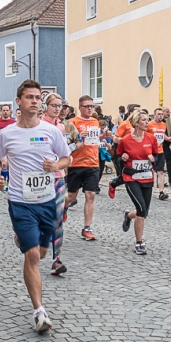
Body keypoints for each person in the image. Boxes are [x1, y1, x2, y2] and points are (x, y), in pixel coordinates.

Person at [0, 80, 72, 333]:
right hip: (20, 201)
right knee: (33, 255)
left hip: (47, 201)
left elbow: (67, 157)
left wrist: (56, 167)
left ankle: (23, 240)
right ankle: (39, 311)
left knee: (43, 253)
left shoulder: (51, 131)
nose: (34, 101)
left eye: (37, 98)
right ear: (19, 102)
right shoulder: (7, 134)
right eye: (29, 97)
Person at [41, 93, 75, 275]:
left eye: (59, 105)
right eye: (53, 105)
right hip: (40, 176)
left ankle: (57, 260)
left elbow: (67, 151)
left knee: (58, 215)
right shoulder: (39, 125)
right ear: (46, 106)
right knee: (42, 215)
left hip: (59, 175)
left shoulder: (62, 126)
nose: (57, 108)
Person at [117, 110, 157, 255]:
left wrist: (154, 160)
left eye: (148, 119)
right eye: (144, 120)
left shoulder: (151, 139)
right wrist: (123, 158)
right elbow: (117, 158)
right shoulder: (125, 140)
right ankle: (139, 242)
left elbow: (157, 157)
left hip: (147, 177)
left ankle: (128, 215)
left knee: (144, 212)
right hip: (131, 178)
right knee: (141, 208)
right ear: (136, 123)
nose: (147, 122)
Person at [66, 94, 104, 242]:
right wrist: (79, 136)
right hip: (76, 163)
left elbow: (94, 140)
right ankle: (63, 207)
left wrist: (102, 137)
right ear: (80, 107)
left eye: (91, 106)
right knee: (71, 196)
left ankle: (87, 228)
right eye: (87, 106)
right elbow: (65, 143)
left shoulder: (95, 121)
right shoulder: (72, 122)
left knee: (91, 195)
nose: (89, 109)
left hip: (93, 163)